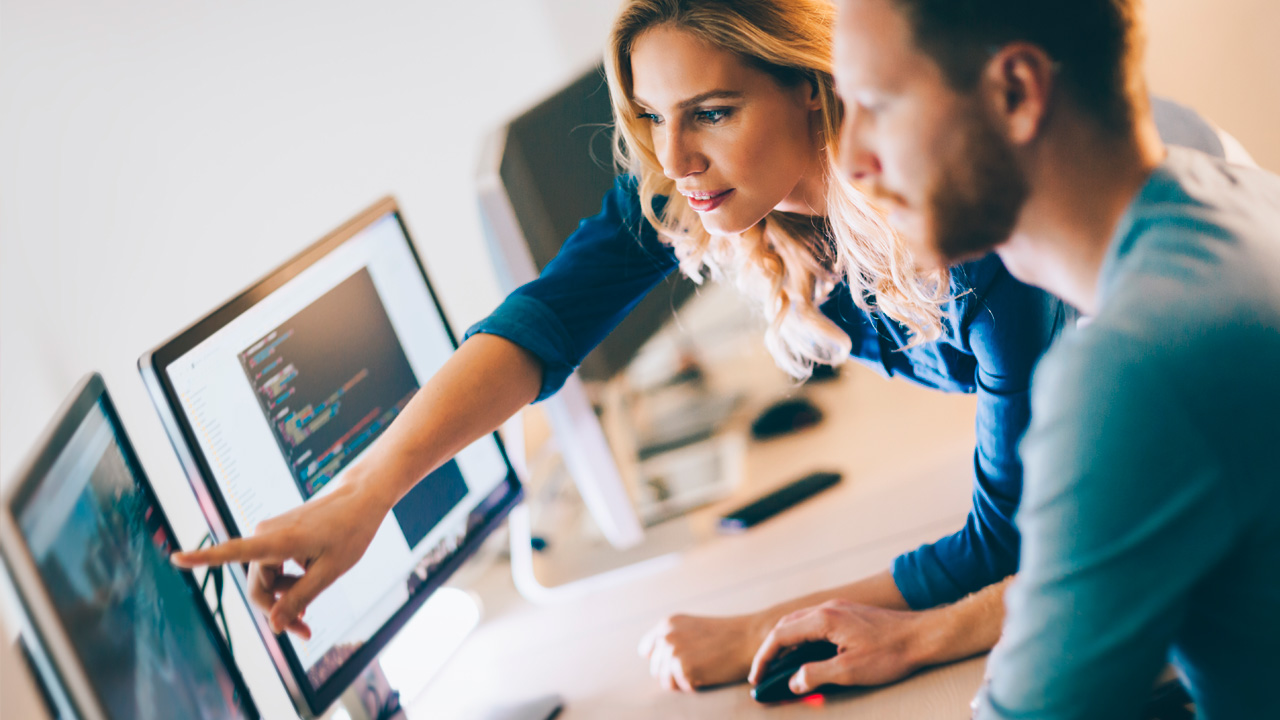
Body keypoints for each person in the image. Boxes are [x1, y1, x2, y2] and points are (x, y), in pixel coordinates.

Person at [171, 0, 1221, 699]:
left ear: (811, 88)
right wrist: (367, 494)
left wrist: (757, 628)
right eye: (649, 117)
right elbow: (542, 323)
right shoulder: (706, 186)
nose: (673, 160)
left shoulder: (970, 215)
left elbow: (1010, 538)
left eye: (711, 112)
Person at [752, 0, 1280, 717]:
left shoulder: (1135, 365)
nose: (850, 160)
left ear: (1015, 94)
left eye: (877, 105)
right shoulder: (1230, 199)